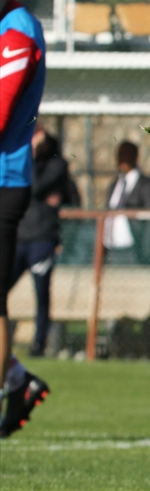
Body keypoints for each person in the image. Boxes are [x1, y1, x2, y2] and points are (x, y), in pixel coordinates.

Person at [0, 0, 50, 438]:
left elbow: (1, 106)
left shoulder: (17, 30)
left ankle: (12, 382)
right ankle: (17, 379)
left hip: (3, 181)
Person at [11, 126, 78, 357]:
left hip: (41, 240)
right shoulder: (20, 163)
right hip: (19, 239)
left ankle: (38, 344)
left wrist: (31, 155)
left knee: (41, 295)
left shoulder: (56, 166)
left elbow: (35, 186)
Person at [103, 140, 150, 260]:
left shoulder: (147, 186)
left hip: (133, 251)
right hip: (110, 250)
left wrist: (146, 252)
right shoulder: (115, 185)